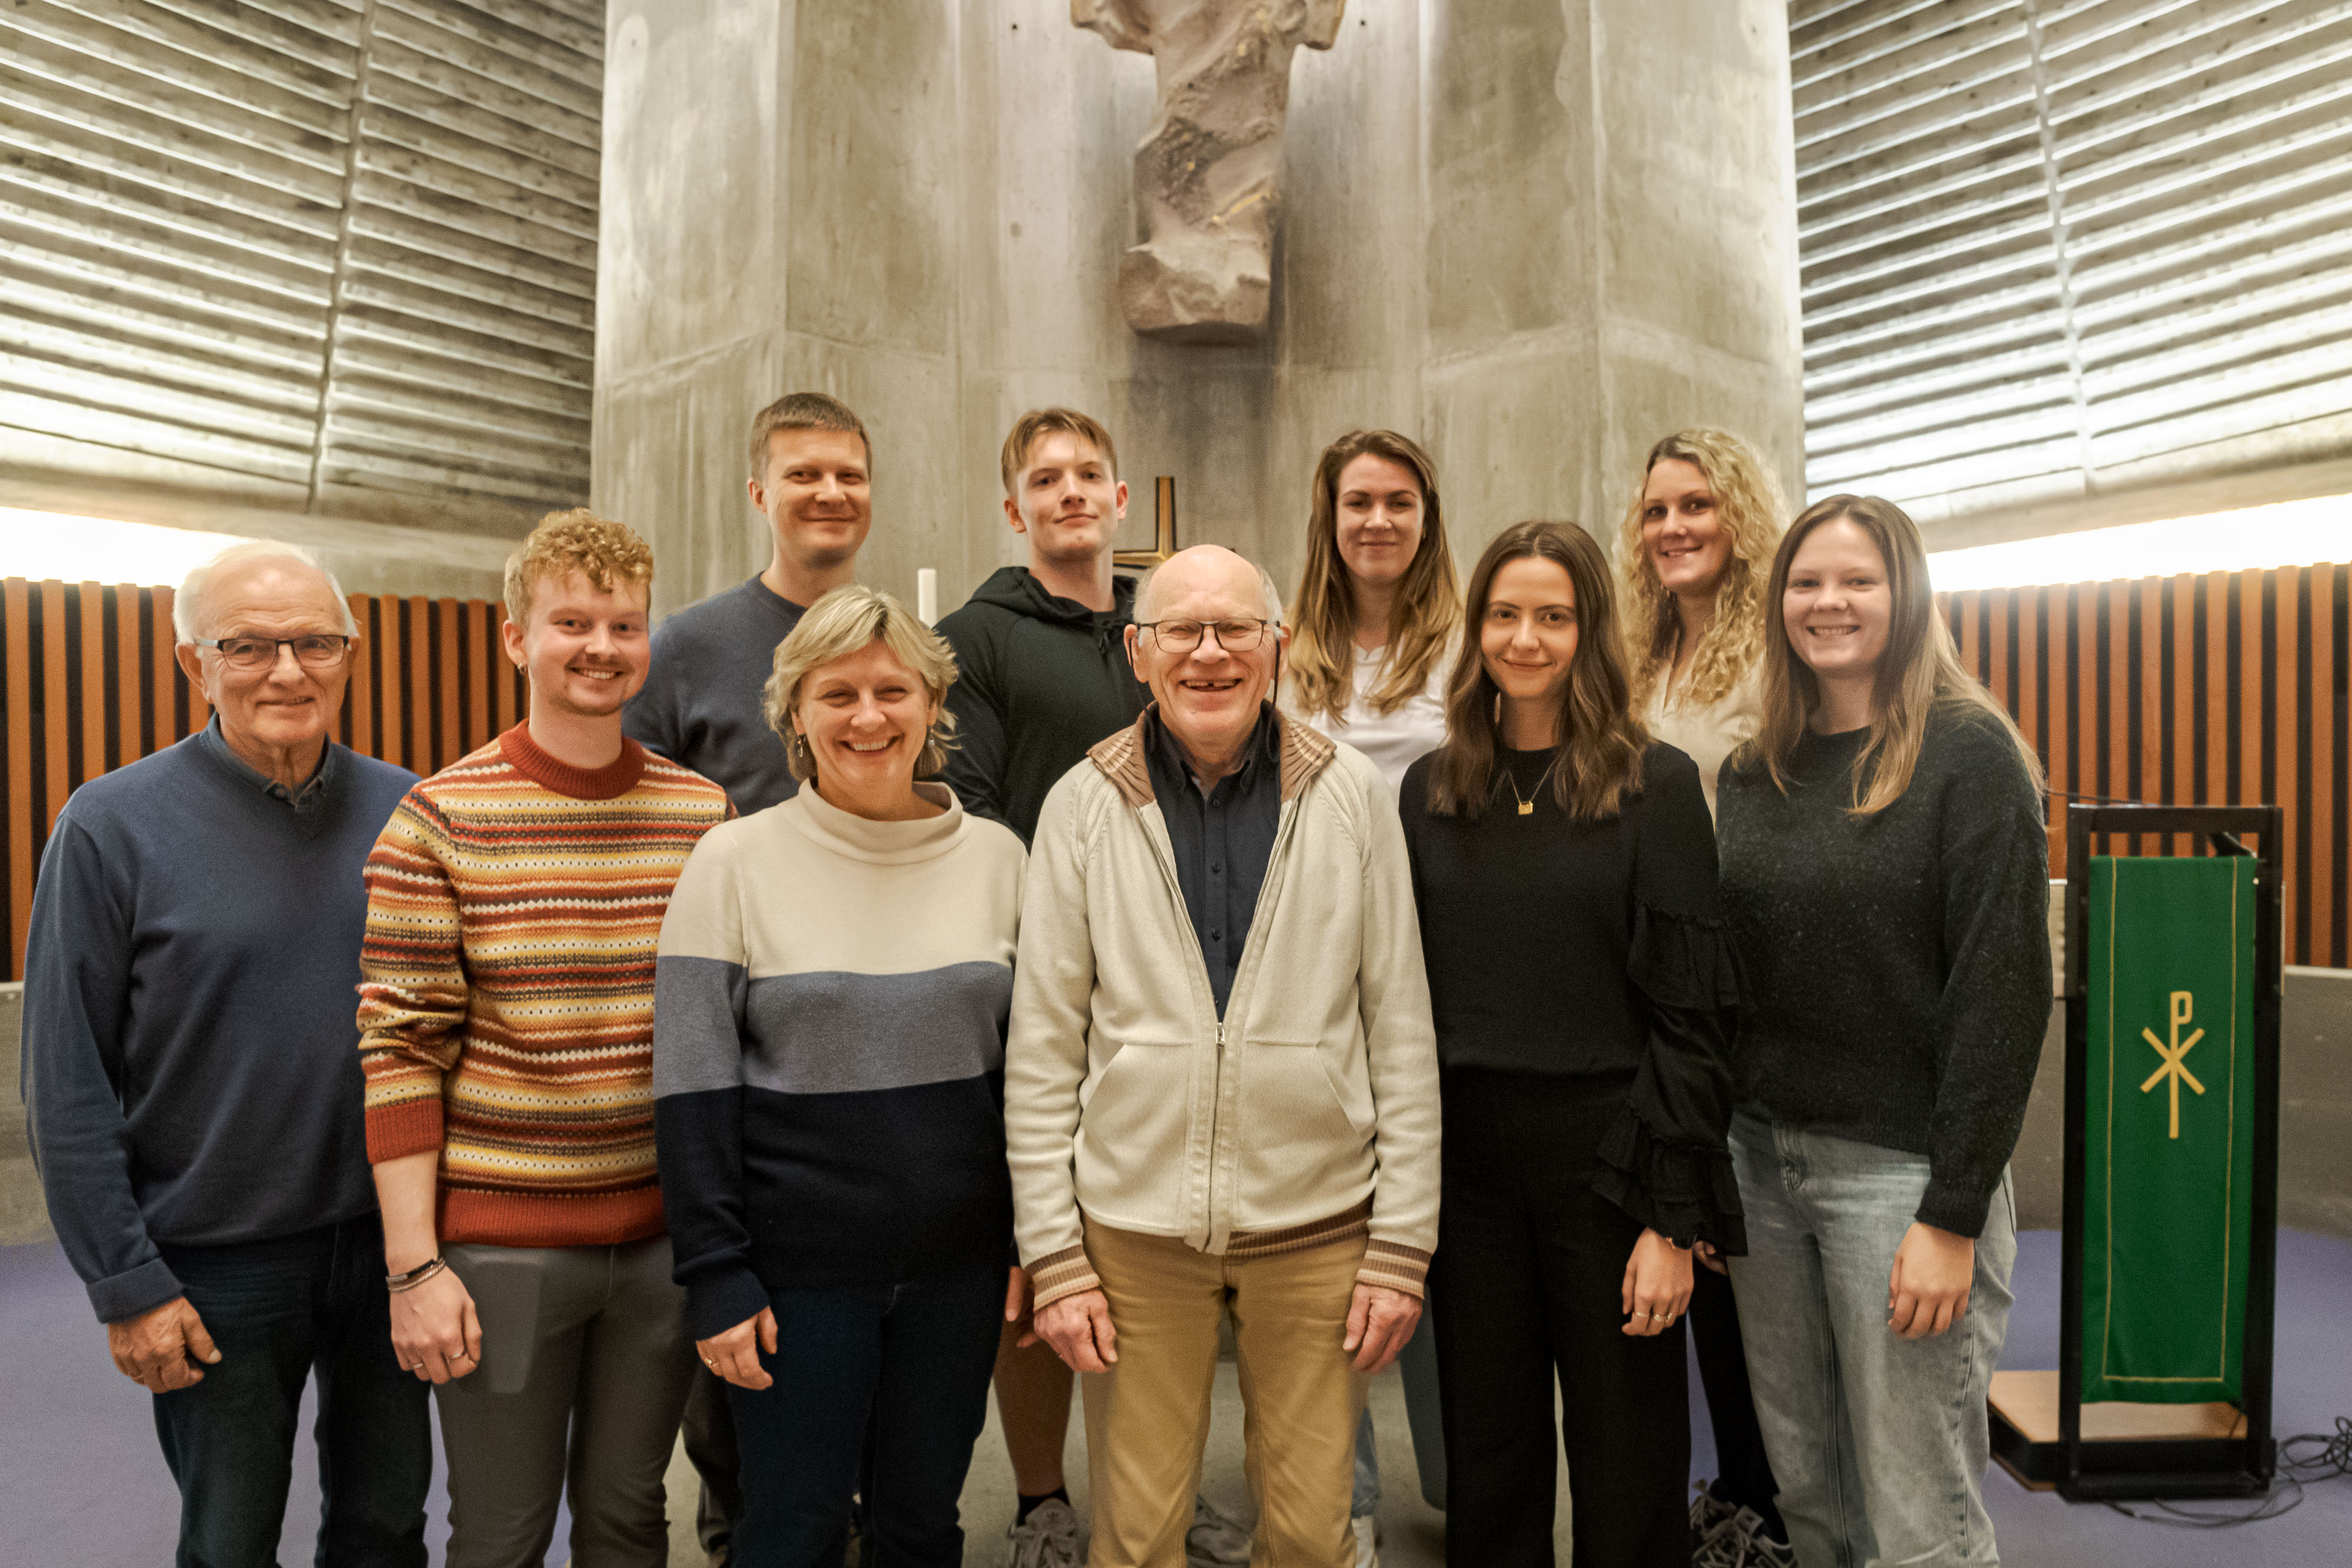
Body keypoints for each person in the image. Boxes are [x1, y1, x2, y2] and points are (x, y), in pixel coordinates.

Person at [1005, 544, 1442, 1568]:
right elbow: (1042, 1050)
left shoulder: (1351, 799)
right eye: (1181, 632)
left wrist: (1403, 1241)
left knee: (1308, 1532)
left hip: (1320, 1225)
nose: (1210, 652)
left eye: (1235, 628)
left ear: (1277, 646)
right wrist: (1054, 1253)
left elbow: (1403, 1032)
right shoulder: (1081, 805)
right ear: (1138, 654)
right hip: (1134, 1230)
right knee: (1138, 1533)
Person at [21, 542, 427, 1567]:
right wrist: (126, 1282)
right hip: (215, 1266)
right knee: (230, 1542)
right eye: (248, 646)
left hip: (396, 1251)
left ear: (351, 653)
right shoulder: (109, 826)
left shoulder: (414, 813)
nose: (287, 671)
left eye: (314, 643)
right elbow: (65, 1080)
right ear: (193, 664)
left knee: (386, 1530)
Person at [359, 511, 732, 1568]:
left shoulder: (704, 814)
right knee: (502, 1534)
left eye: (625, 625)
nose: (602, 648)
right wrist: (412, 1267)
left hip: (662, 1241)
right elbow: (398, 1053)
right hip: (500, 1251)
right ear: (517, 638)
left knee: (629, 1521)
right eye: (573, 622)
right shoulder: (440, 819)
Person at [656, 584, 1027, 1568]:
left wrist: (1033, 1245)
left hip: (959, 1271)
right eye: (837, 695)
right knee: (791, 1529)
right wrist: (717, 1277)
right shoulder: (731, 863)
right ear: (794, 715)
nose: (869, 717)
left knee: (921, 1526)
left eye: (893, 690)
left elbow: (1033, 1080)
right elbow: (692, 1088)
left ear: (933, 706)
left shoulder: (1000, 859)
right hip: (794, 1278)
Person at [1716, 496, 2050, 1568]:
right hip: (1764, 1170)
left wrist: (1951, 1213)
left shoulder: (1970, 756)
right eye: (1807, 583)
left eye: (1858, 580)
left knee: (1918, 1515)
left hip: (1902, 1181)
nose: (1830, 603)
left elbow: (2003, 993)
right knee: (1810, 1490)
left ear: (1906, 594)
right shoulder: (1752, 768)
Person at [1401, 521, 1742, 1568]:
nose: (1527, 638)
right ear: (1477, 632)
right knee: (1488, 1456)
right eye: (1505, 614)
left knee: (1627, 1454)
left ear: (1590, 629)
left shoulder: (1657, 784)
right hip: (1469, 1168)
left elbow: (1694, 1019)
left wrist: (1669, 1219)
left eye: (1554, 615)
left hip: (1611, 1158)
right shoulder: (1431, 789)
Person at [624, 389, 874, 1560]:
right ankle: (742, 1525)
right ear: (757, 492)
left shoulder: (895, 644)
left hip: (875, 1039)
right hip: (733, 1038)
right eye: (804, 473)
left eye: (848, 474)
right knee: (736, 1337)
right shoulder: (685, 645)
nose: (828, 493)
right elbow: (633, 821)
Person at [935, 407, 1147, 1567]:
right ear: (1014, 510)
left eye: (1088, 475)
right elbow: (966, 811)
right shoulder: (973, 635)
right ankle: (1038, 1498)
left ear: (1121, 502)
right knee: (1039, 1253)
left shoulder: (1166, 631)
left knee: (1141, 1248)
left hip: (1175, 986)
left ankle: (1134, 1481)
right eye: (1044, 479)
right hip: (1040, 988)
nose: (1070, 492)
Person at [1281, 427, 1462, 1553]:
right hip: (1321, 970)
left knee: (1439, 1236)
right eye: (1358, 502)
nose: (1378, 521)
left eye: (1400, 501)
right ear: (1330, 517)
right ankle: (1333, 1499)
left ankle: (1457, 1481)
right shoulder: (1290, 650)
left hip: (1450, 960)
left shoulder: (1465, 649)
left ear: (1427, 516)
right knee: (1331, 1243)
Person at [1612, 429, 1790, 1566]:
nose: (1675, 527)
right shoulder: (1635, 659)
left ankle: (1769, 1505)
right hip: (1651, 985)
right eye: (1657, 511)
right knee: (1690, 1247)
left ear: (1740, 516)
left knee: (1743, 1256)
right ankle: (1730, 1490)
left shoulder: (1775, 657)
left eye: (1698, 506)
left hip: (1751, 989)